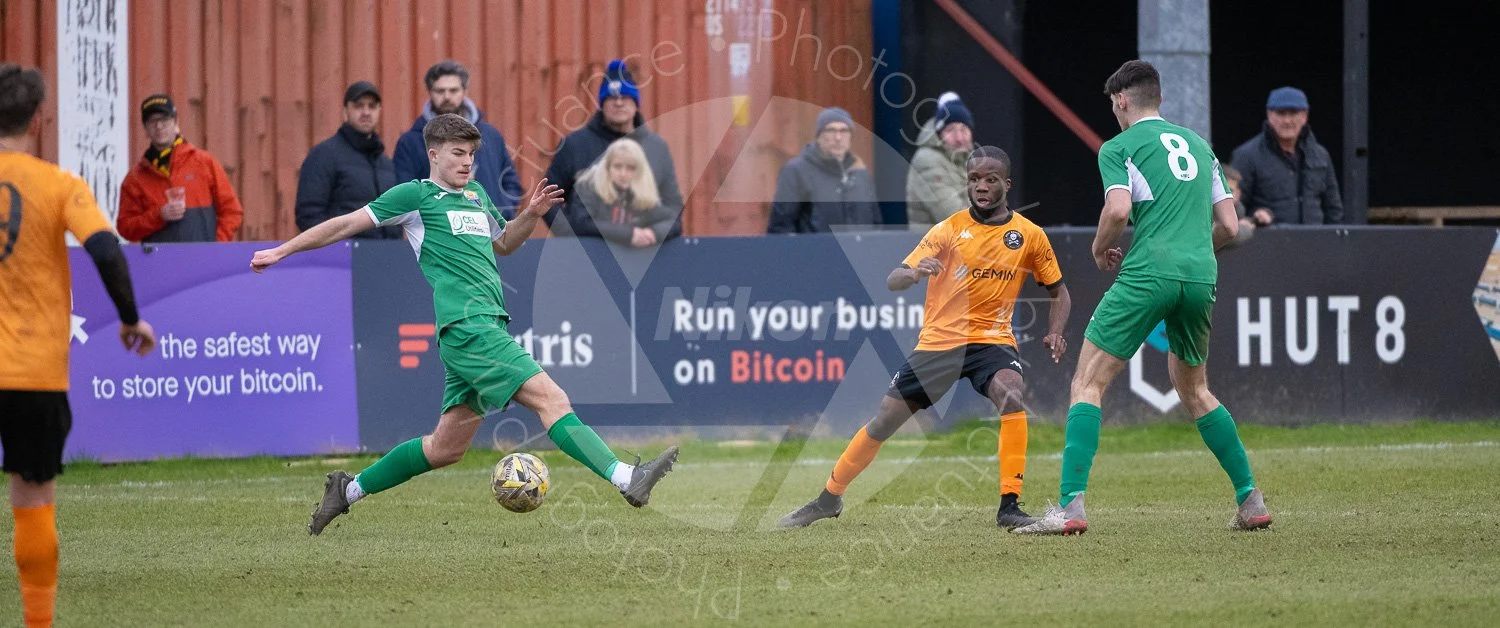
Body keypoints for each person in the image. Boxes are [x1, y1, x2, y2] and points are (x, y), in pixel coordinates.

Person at [250, 114, 679, 535]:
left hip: (480, 329)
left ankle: (347, 490)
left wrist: (530, 214)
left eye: (472, 154)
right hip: (469, 328)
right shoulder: (415, 196)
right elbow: (346, 223)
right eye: (458, 153)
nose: (467, 162)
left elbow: (505, 242)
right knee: (552, 400)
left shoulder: (475, 194)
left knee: (445, 448)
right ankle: (626, 478)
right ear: (433, 154)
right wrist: (281, 251)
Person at [1015, 60, 1271, 536]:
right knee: (1195, 390)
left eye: (1113, 104)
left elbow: (1117, 208)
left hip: (1148, 272)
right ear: (1160, 98)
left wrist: (1097, 249)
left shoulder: (1119, 146)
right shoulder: (1200, 146)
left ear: (1122, 101)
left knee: (1087, 384)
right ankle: (1250, 500)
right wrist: (1191, 253)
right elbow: (1231, 227)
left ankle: (1070, 508)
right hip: (1201, 276)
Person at [778, 146, 1071, 530]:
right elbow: (894, 278)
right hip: (939, 343)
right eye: (974, 179)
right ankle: (827, 499)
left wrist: (1054, 332)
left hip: (991, 341)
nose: (981, 186)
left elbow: (1059, 292)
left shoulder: (1029, 236)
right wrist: (914, 273)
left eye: (990, 179)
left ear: (1006, 184)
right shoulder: (947, 230)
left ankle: (1009, 507)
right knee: (884, 422)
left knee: (1011, 393)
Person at [0, 64, 157, 628]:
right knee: (32, 497)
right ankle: (37, 622)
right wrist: (131, 319)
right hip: (32, 372)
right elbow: (106, 250)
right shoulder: (59, 184)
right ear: (39, 119)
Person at [544, 59, 684, 235]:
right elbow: (547, 201)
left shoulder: (656, 148)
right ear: (602, 104)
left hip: (644, 254)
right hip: (589, 252)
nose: (619, 103)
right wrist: (572, 238)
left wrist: (654, 234)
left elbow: (673, 207)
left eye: (625, 97)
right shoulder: (575, 145)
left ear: (636, 103)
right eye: (611, 97)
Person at [393, 60, 523, 218]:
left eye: (453, 90)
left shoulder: (491, 135)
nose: (447, 96)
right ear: (430, 93)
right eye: (440, 91)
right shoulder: (411, 142)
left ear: (465, 92)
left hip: (491, 233)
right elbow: (405, 195)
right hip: (441, 234)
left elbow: (511, 182)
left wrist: (503, 211)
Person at [116, 94, 244, 242]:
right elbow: (125, 228)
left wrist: (215, 246)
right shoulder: (135, 178)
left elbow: (232, 212)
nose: (159, 126)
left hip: (203, 261)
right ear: (145, 129)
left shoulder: (204, 163)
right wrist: (158, 216)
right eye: (152, 121)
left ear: (176, 123)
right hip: (159, 263)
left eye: (164, 119)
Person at [295, 80, 402, 239]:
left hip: (386, 257)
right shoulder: (324, 156)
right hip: (344, 259)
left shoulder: (385, 163)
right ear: (345, 112)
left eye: (372, 106)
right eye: (359, 106)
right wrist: (339, 249)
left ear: (379, 111)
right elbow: (308, 215)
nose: (366, 112)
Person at [1230, 86, 1343, 226]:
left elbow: (1333, 209)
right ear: (1269, 115)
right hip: (1267, 243)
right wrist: (1253, 219)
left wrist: (1334, 244)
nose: (1287, 120)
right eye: (1281, 113)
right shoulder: (1246, 155)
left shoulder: (1321, 155)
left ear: (1305, 116)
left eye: (1294, 113)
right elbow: (1232, 206)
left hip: (1316, 243)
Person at [766, 107, 882, 233]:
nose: (838, 138)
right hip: (815, 252)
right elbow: (780, 228)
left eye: (844, 131)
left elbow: (876, 224)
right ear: (818, 136)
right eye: (831, 130)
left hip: (858, 252)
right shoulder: (796, 172)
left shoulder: (861, 174)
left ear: (850, 137)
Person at [569, 138, 681, 247]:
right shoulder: (587, 187)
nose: (623, 174)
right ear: (608, 168)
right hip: (589, 257)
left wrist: (653, 233)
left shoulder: (642, 194)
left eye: (630, 168)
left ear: (639, 171)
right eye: (617, 166)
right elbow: (581, 224)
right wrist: (628, 234)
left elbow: (673, 221)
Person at [906, 92, 976, 229]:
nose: (959, 138)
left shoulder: (973, 159)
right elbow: (955, 217)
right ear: (939, 134)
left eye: (964, 129)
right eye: (951, 130)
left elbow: (1001, 210)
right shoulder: (926, 160)